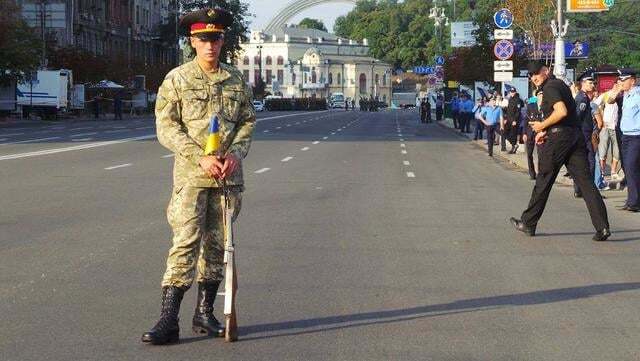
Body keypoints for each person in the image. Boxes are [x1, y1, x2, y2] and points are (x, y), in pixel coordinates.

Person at [141, 8, 256, 345]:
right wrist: (199, 157)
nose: (210, 45)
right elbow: (166, 126)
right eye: (203, 39)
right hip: (192, 178)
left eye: (216, 38)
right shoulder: (177, 78)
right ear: (192, 41)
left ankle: (205, 313)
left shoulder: (235, 80)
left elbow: (248, 121)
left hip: (226, 179)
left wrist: (234, 154)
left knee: (219, 248)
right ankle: (168, 319)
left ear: (223, 40)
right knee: (185, 244)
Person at [510, 61, 610, 242]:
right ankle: (602, 227)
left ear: (546, 71)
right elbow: (565, 116)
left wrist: (542, 126)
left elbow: (561, 111)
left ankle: (528, 222)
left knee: (544, 179)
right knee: (586, 183)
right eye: (531, 76)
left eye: (536, 74)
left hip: (560, 140)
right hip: (575, 137)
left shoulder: (550, 87)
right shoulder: (561, 85)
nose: (534, 78)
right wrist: (545, 131)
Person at [616, 68, 640, 212]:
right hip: (625, 135)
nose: (621, 83)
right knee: (629, 168)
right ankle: (633, 199)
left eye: (623, 80)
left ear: (632, 80)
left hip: (636, 136)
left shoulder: (638, 95)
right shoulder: (626, 95)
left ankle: (634, 202)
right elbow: (610, 99)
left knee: (631, 167)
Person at [594, 85, 621, 181]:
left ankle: (613, 171)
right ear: (614, 85)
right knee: (603, 150)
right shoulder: (605, 95)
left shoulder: (622, 96)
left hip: (617, 127)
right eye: (617, 84)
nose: (618, 86)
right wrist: (600, 119)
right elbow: (594, 106)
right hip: (605, 127)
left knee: (617, 150)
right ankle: (601, 172)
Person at [524, 91, 542, 179]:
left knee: (540, 154)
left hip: (540, 133)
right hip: (530, 132)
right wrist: (524, 133)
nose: (541, 96)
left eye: (542, 95)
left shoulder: (546, 106)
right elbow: (525, 120)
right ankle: (532, 173)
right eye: (539, 95)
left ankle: (540, 173)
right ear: (537, 96)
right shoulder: (531, 105)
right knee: (529, 154)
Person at [505, 88, 524, 154]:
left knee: (513, 134)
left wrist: (515, 120)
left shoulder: (518, 100)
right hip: (509, 120)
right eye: (511, 92)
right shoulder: (510, 99)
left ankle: (513, 147)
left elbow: (518, 112)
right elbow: (508, 110)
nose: (512, 93)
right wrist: (506, 119)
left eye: (513, 92)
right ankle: (514, 145)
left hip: (514, 120)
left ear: (515, 92)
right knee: (505, 132)